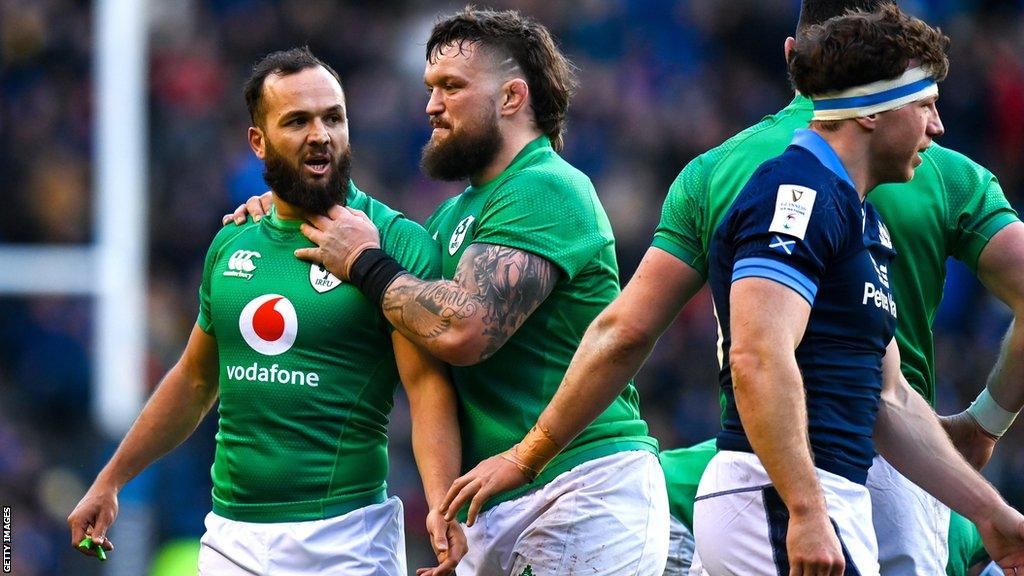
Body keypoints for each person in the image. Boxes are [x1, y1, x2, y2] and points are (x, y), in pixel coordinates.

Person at [425, 1, 1024, 574]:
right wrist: (806, 508)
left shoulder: (851, 209)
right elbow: (757, 355)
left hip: (824, 492)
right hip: (783, 490)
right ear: (870, 111)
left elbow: (887, 395)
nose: (938, 125)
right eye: (925, 104)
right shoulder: (796, 196)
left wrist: (991, 513)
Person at [233, 8, 670, 575]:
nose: (431, 106)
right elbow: (425, 350)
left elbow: (465, 330)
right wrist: (282, 210)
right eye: (429, 88)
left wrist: (365, 263)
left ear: (512, 97)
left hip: (579, 485)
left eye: (451, 87)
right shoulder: (449, 219)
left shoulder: (546, 186)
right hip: (493, 497)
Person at [68, 47, 465, 576]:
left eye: (333, 118)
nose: (320, 134)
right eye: (297, 121)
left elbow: (426, 389)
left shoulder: (393, 244)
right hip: (232, 539)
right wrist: (111, 478)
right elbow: (193, 380)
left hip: (345, 539)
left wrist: (440, 504)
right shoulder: (232, 244)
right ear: (258, 141)